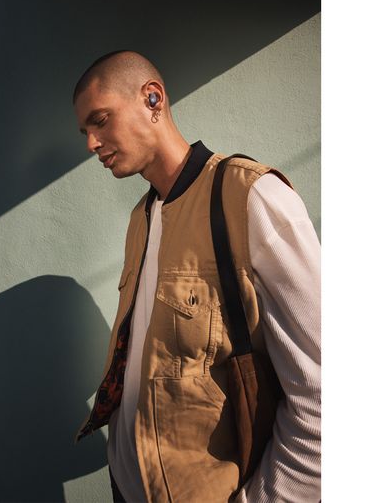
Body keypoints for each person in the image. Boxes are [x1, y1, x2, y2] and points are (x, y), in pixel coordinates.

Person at [72, 50, 321, 503]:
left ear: (153, 99)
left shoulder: (250, 197)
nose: (91, 143)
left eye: (101, 120)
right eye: (85, 131)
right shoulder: (141, 218)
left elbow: (322, 397)